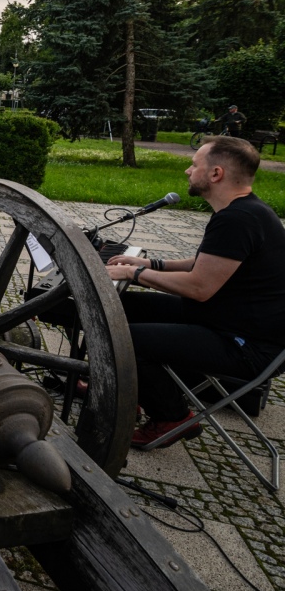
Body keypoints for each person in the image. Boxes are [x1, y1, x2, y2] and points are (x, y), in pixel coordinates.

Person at [105, 137, 285, 447]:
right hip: (224, 318)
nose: (188, 171)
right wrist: (150, 263)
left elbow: (199, 288)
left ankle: (172, 417)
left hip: (246, 344)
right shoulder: (245, 210)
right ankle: (126, 391)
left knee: (126, 338)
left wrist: (131, 272)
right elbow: (208, 264)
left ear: (216, 174)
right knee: (117, 306)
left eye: (195, 165)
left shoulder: (237, 219)